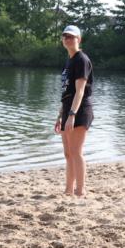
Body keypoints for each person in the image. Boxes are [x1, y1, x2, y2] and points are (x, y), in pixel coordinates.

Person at [54, 25, 93, 197]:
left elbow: (80, 91)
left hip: (80, 111)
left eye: (71, 36)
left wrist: (72, 115)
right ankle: (68, 190)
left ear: (79, 39)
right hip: (68, 111)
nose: (67, 39)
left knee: (76, 152)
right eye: (65, 36)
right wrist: (60, 115)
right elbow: (66, 92)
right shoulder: (69, 61)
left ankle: (80, 190)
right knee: (68, 153)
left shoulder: (81, 60)